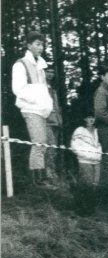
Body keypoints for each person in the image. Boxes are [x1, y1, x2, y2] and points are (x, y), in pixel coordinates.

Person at [11, 31, 55, 187]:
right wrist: (37, 100)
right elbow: (18, 89)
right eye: (37, 44)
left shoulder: (41, 66)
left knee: (45, 144)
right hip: (31, 109)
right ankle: (38, 181)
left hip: (42, 111)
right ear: (28, 45)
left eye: (42, 44)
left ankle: (44, 177)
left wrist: (46, 104)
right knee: (39, 143)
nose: (41, 47)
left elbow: (44, 90)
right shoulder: (20, 64)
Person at [70, 111, 102, 185]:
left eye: (93, 117)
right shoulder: (79, 130)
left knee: (96, 185)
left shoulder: (97, 131)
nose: (91, 120)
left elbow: (100, 145)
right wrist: (87, 155)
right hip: (85, 162)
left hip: (97, 162)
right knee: (87, 184)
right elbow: (74, 146)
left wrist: (98, 155)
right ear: (85, 119)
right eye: (89, 117)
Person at [44, 65, 63, 181]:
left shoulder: (53, 89)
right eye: (48, 72)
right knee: (49, 147)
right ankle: (48, 173)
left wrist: (59, 119)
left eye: (52, 72)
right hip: (46, 121)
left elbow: (56, 106)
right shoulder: (41, 87)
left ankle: (52, 171)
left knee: (54, 148)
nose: (50, 74)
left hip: (55, 122)